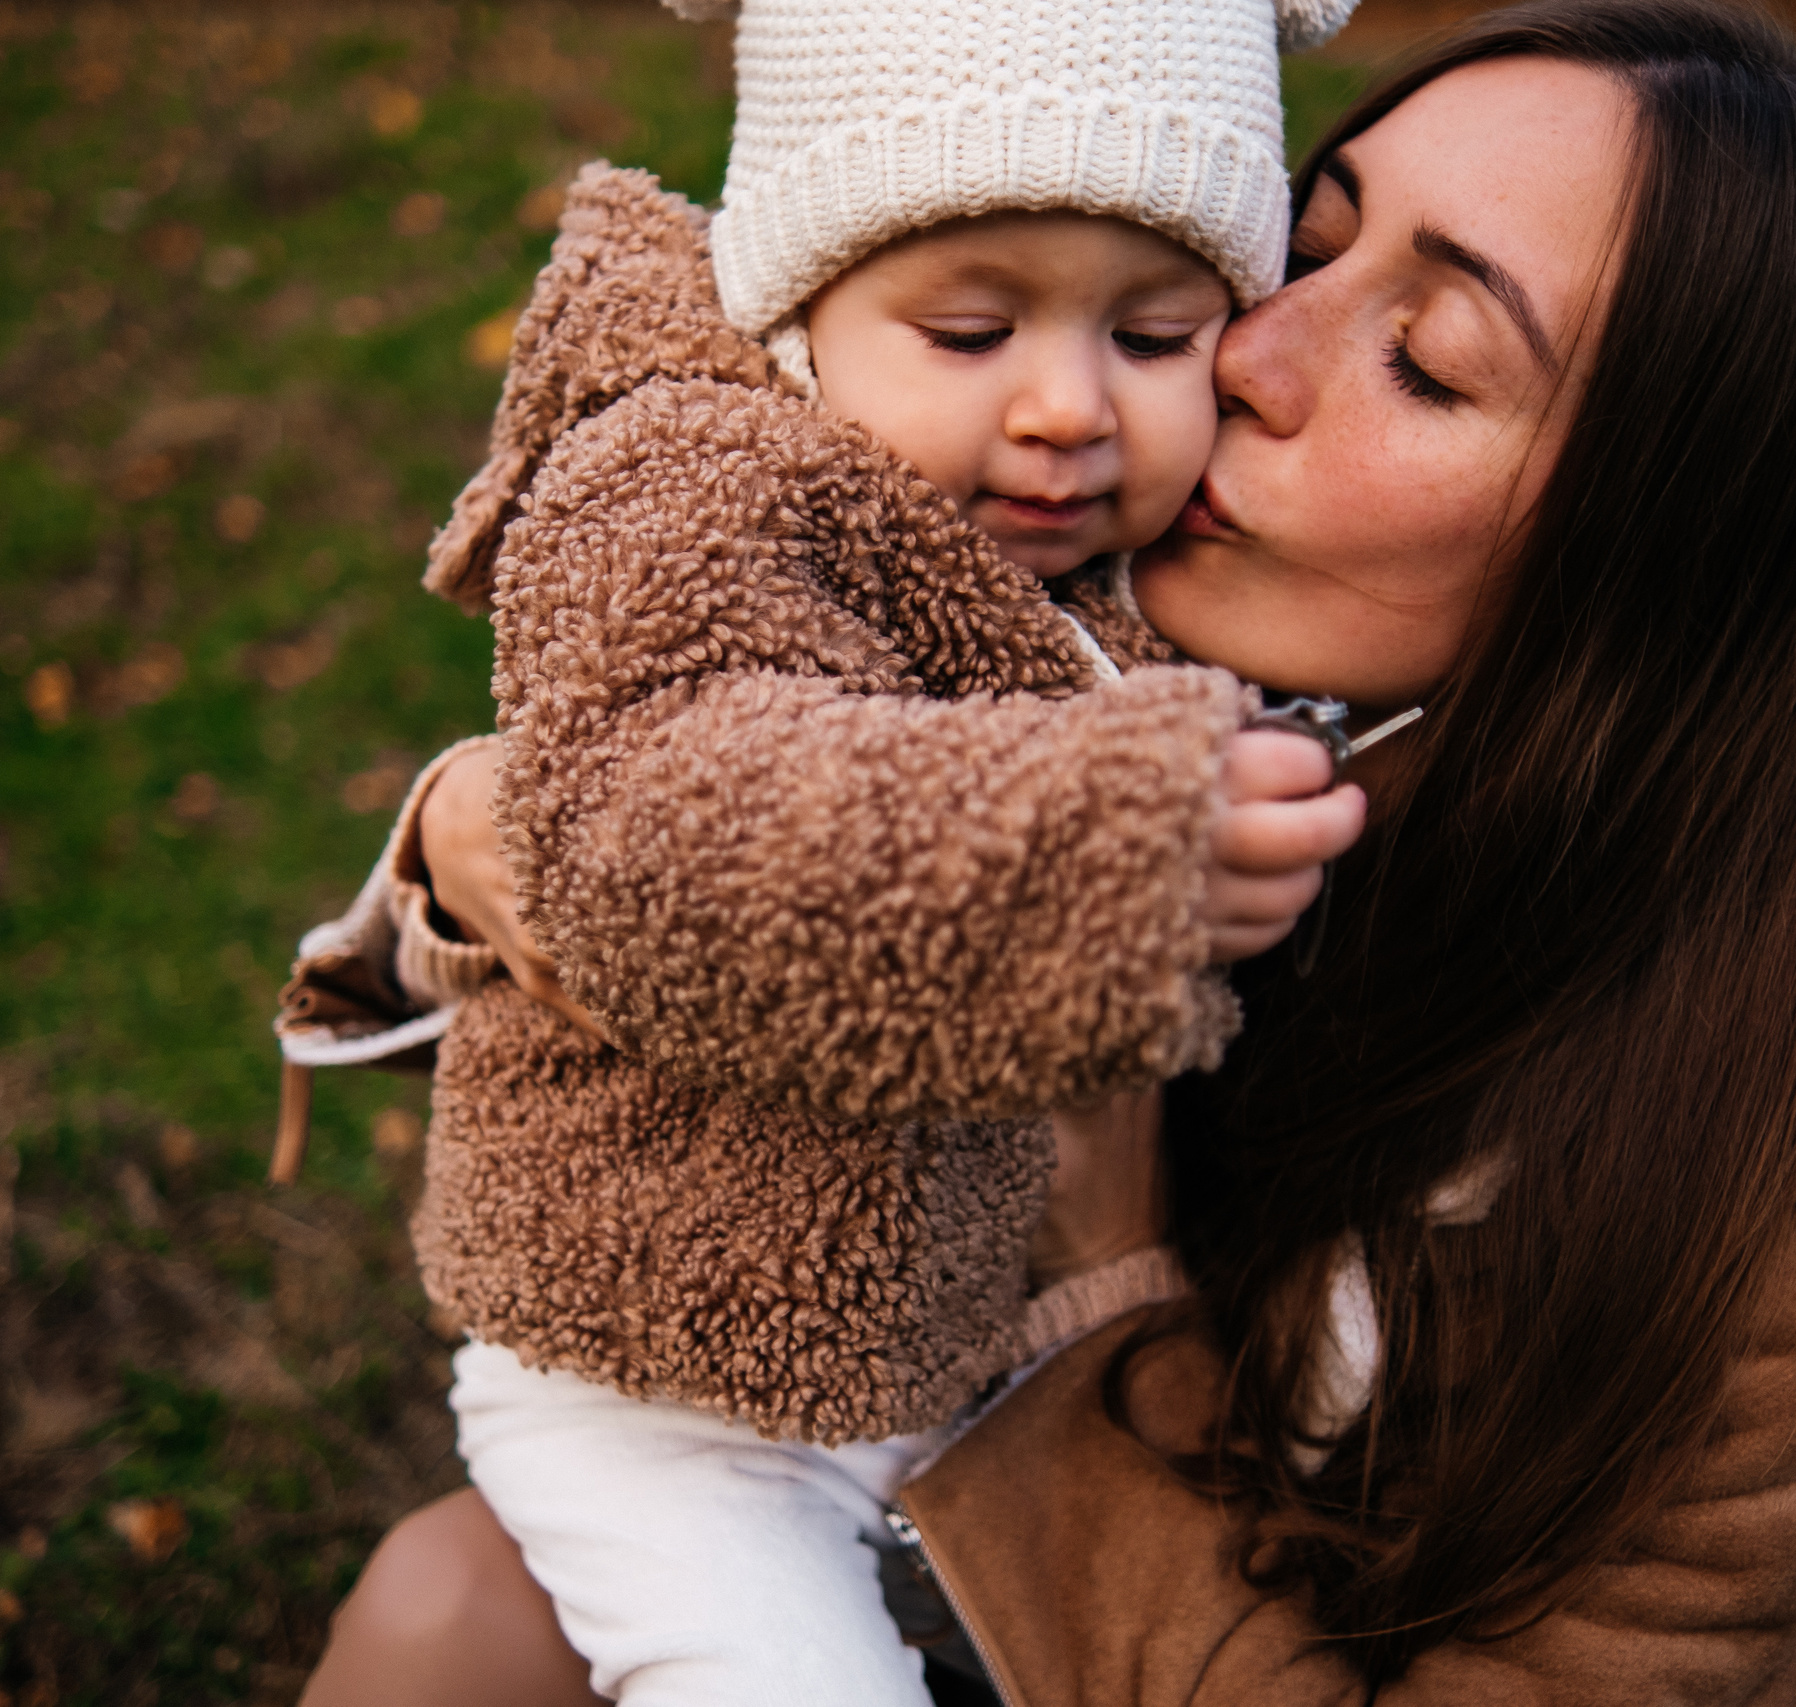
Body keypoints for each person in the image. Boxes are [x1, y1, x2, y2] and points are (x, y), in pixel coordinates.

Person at [301, 1, 1796, 1701]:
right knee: (447, 1607)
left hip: (1127, 1607)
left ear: (1674, 551)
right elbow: (719, 766)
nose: (1240, 359)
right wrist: (482, 838)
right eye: (1300, 250)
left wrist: (1103, 1277)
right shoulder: (1076, 597)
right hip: (807, 1454)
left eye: (1428, 358)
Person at [275, 2, 1375, 1702]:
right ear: (797, 313)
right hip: (672, 1368)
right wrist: (1096, 844)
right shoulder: (691, 488)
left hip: (958, 1332)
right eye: (969, 328)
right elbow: (701, 815)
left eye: (1157, 337)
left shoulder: (1123, 573)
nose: (1069, 408)